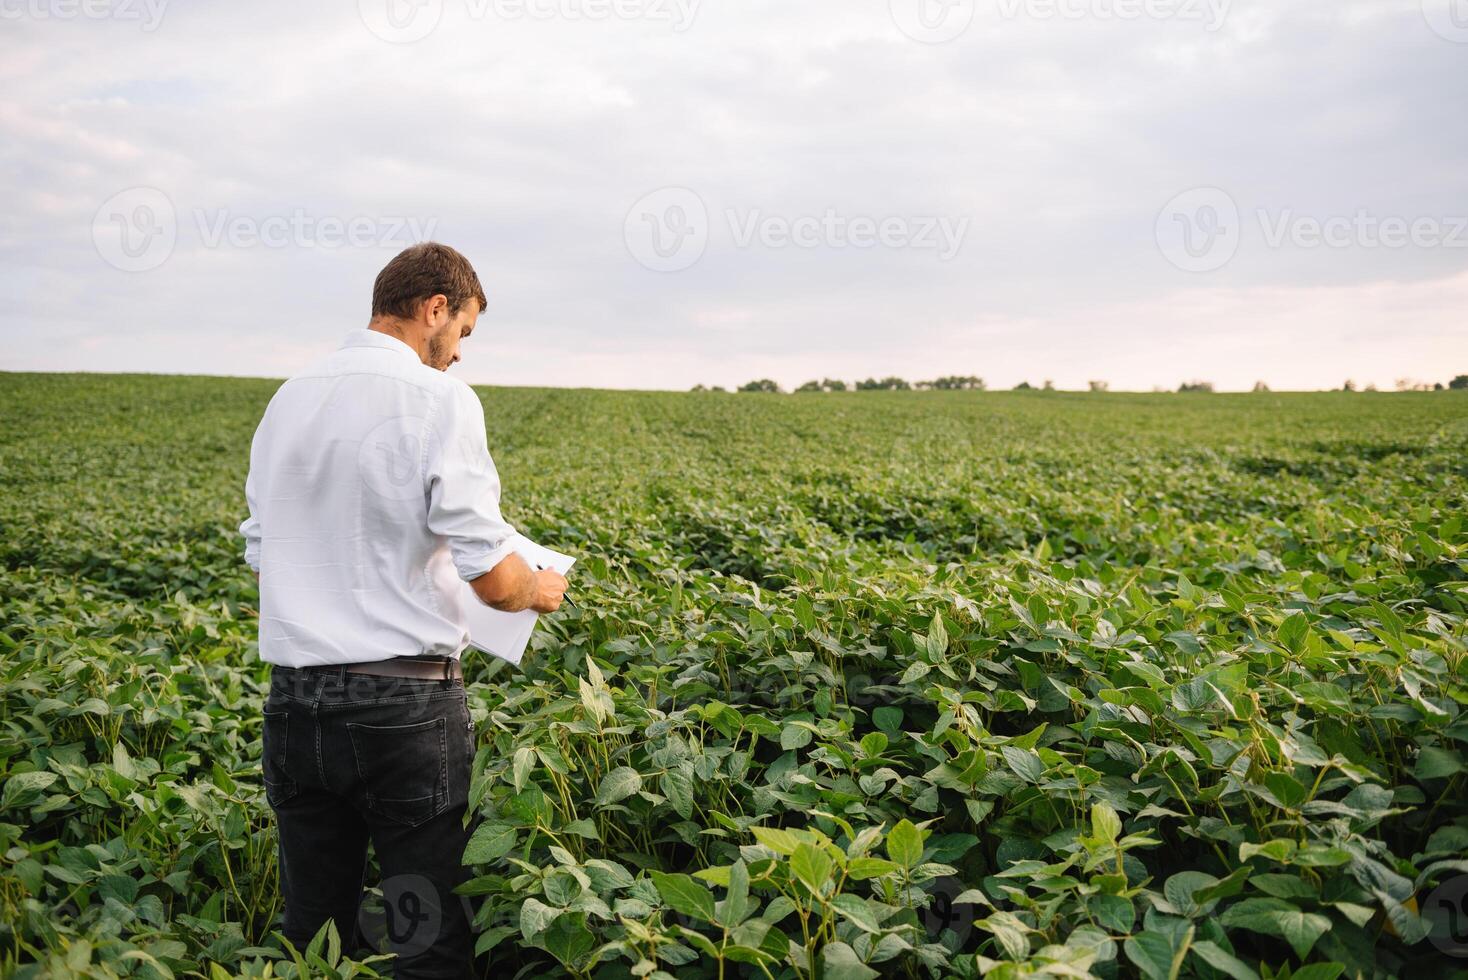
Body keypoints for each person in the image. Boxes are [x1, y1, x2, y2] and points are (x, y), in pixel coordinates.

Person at [238, 242, 567, 978]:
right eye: (464, 334)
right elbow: (490, 575)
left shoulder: (289, 396)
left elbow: (263, 547)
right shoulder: (437, 399)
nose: (458, 356)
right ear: (435, 309)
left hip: (295, 703)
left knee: (316, 935)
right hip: (404, 712)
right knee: (426, 936)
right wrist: (537, 588)